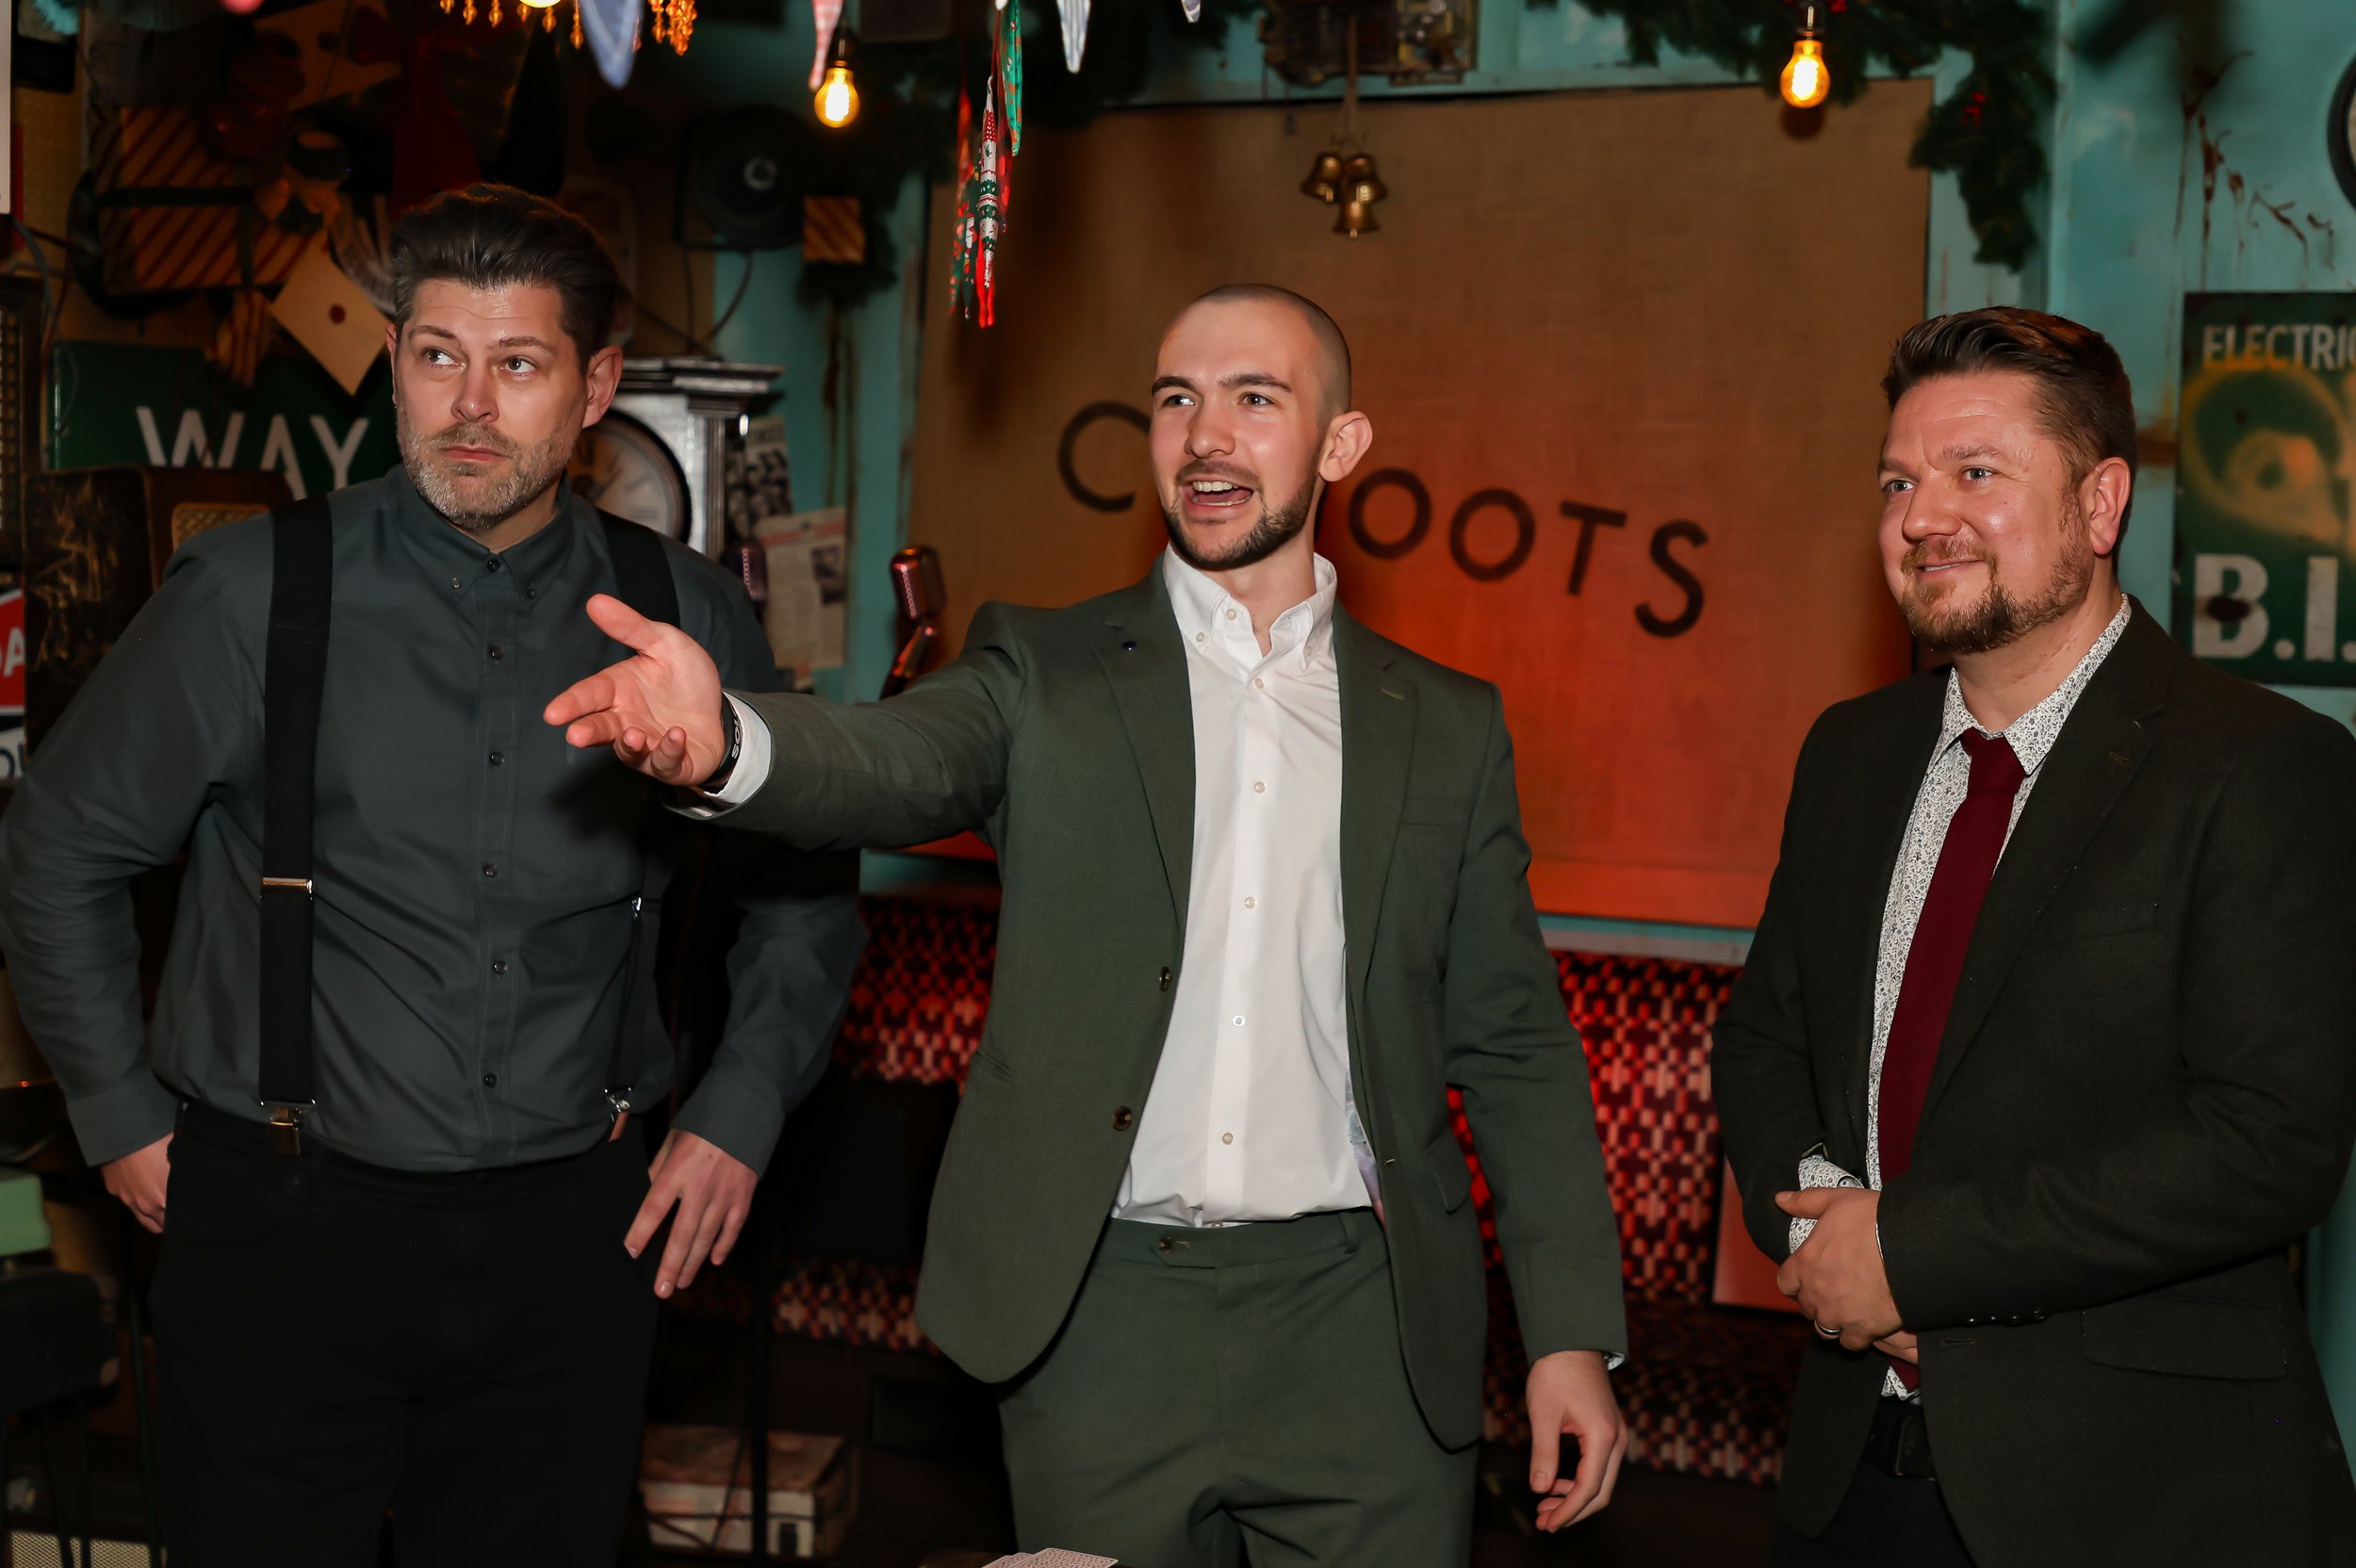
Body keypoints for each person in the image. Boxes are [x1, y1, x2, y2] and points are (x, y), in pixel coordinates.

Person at [546, 285, 1629, 1565]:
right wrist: (730, 739)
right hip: (1099, 1317)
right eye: (1177, 399)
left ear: (1341, 446)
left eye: (1255, 400)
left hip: (1366, 1330)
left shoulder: (1444, 725)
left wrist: (1570, 1333)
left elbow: (1511, 1041)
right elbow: (895, 759)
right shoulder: (1043, 672)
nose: (1205, 436)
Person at [0, 184, 863, 1567]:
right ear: (394, 361)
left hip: (575, 1240)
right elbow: (57, 846)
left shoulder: (686, 613)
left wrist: (742, 1108)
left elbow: (804, 889)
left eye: (516, 364)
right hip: (281, 1228)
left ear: (596, 389)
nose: (468, 405)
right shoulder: (248, 594)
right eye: (435, 355)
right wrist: (115, 1108)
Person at [1712, 305, 2356, 1567]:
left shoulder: (2266, 767)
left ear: (2101, 503)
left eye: (1977, 474)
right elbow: (1762, 1042)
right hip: (1856, 1470)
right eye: (1900, 479)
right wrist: (1825, 1238)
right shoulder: (1850, 754)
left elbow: (2269, 1143)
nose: (1922, 513)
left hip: (2134, 1493)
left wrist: (1910, 1258)